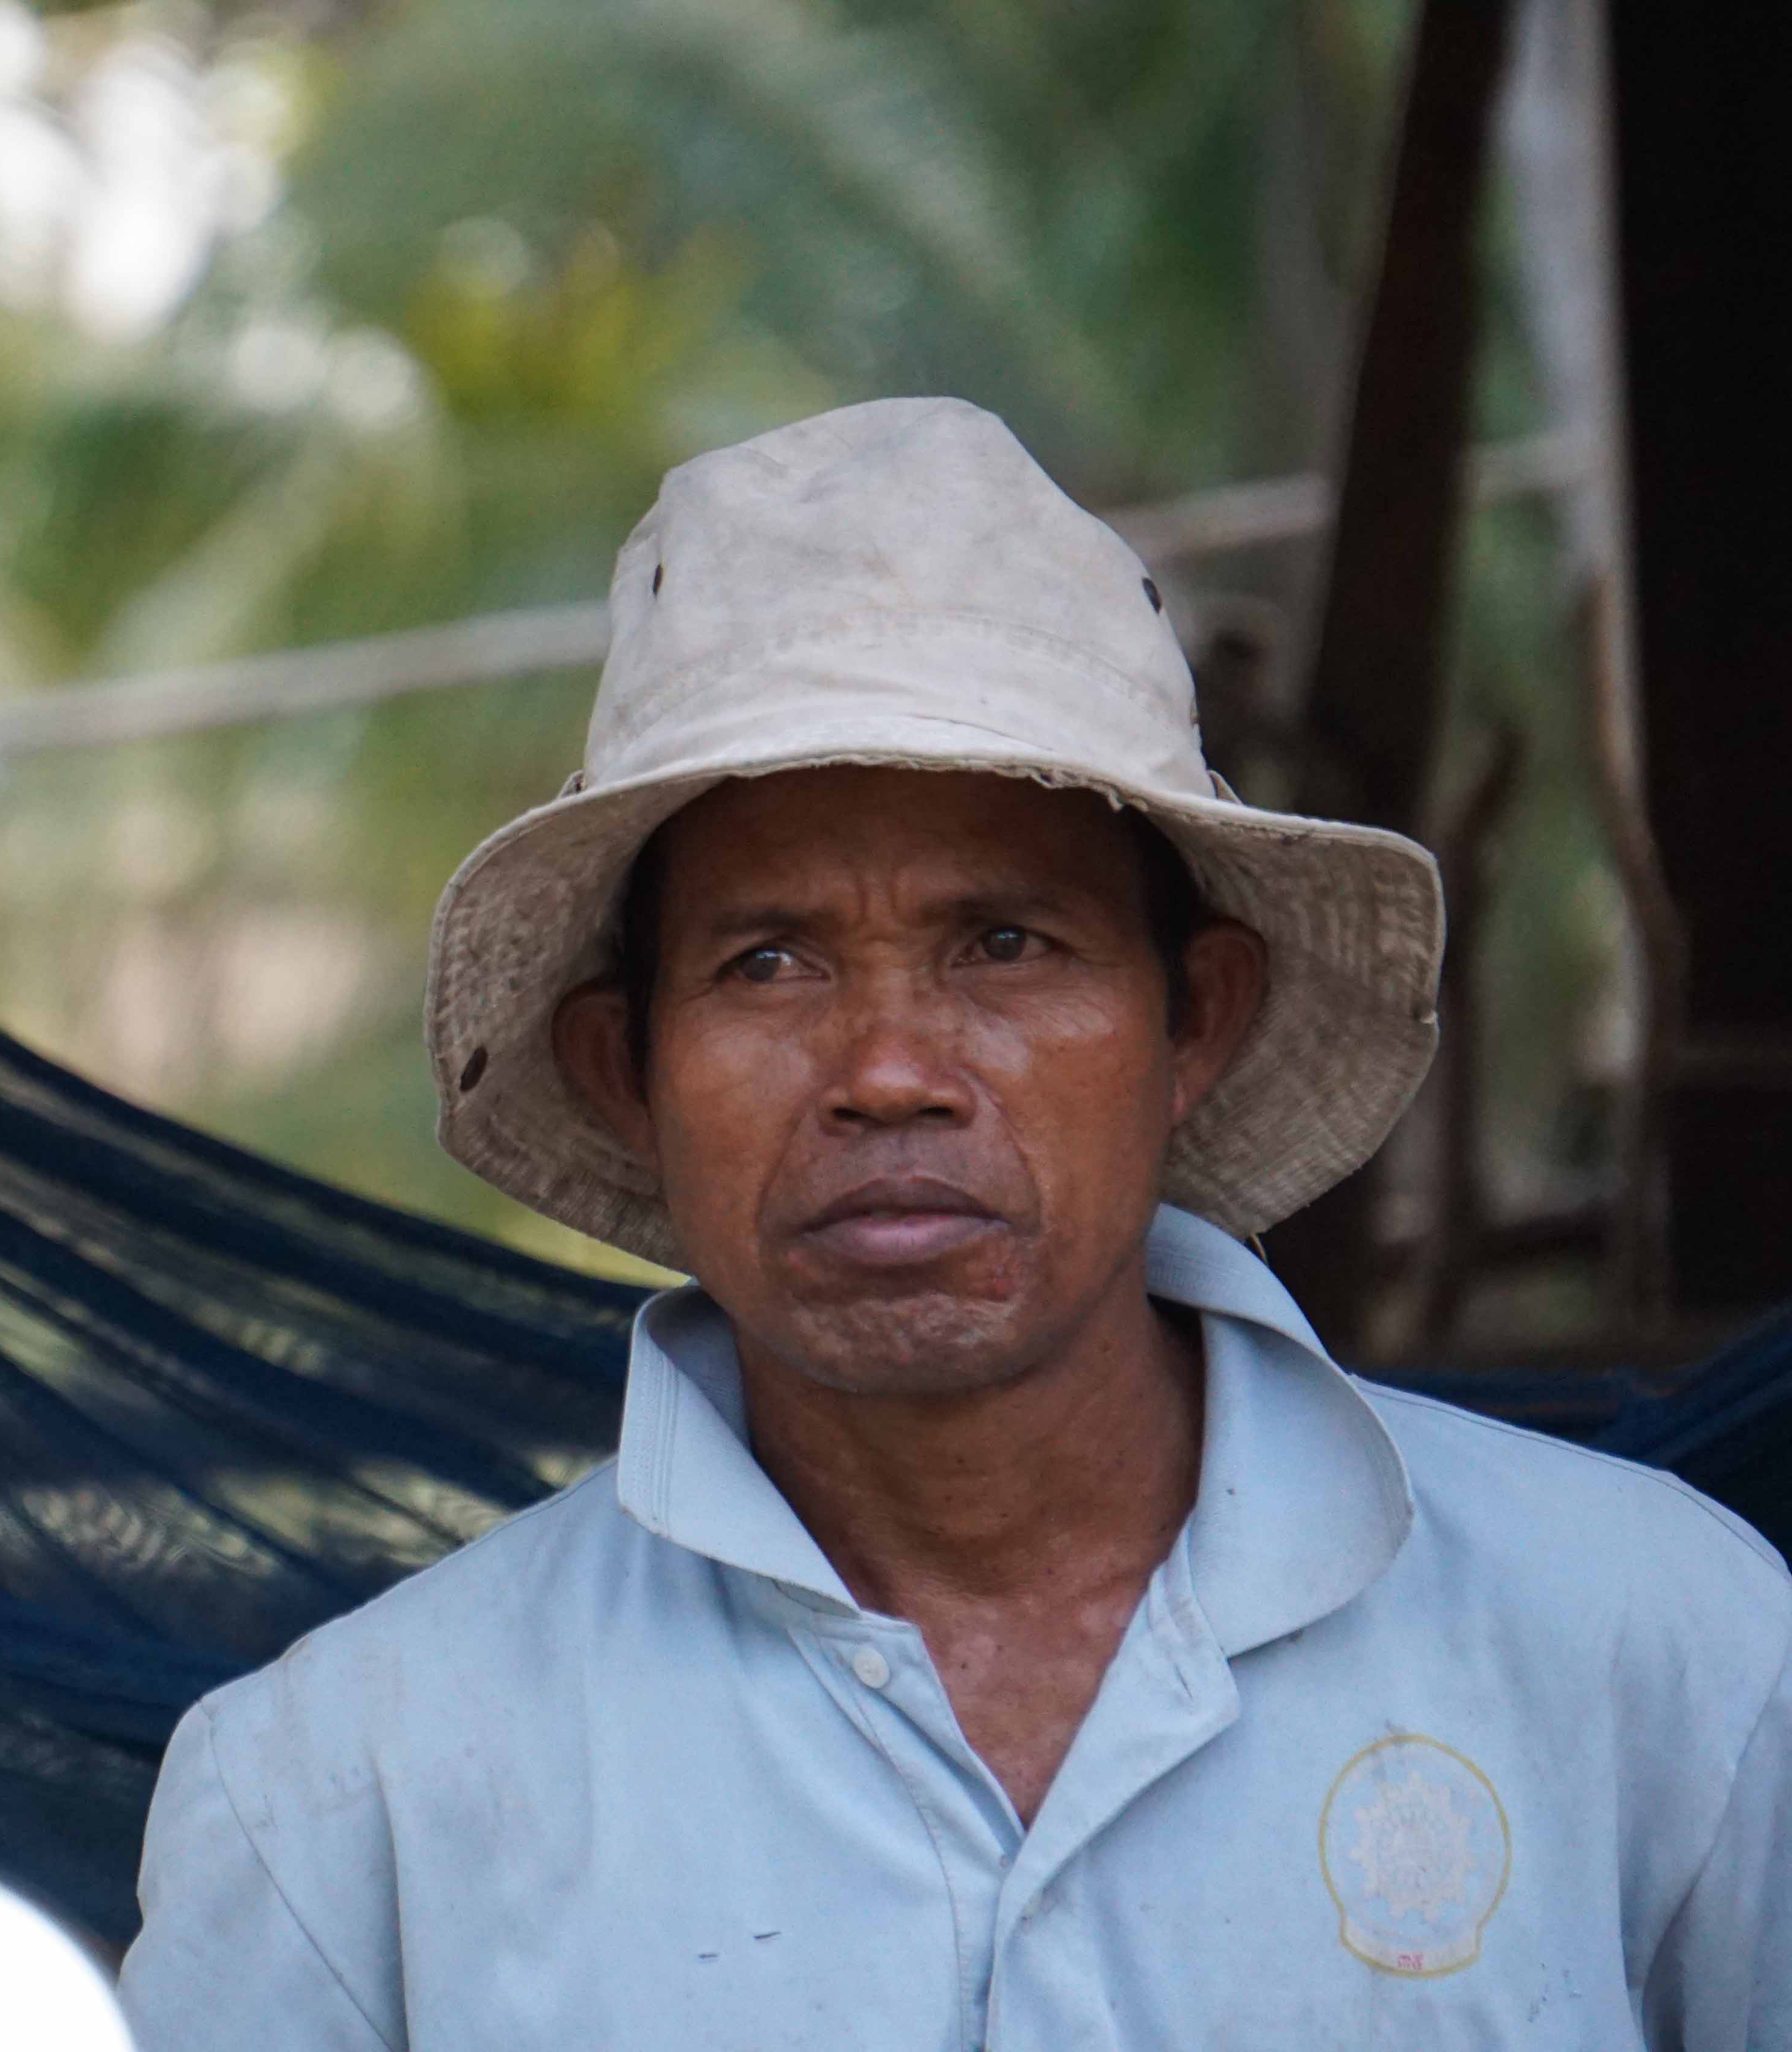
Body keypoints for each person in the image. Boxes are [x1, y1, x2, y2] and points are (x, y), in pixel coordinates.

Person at [114, 398, 1792, 2048]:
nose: (890, 1072)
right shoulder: (347, 1807)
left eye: (1006, 945)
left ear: (1193, 1023)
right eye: (768, 962)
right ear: (627, 1071)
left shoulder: (1654, 1651)